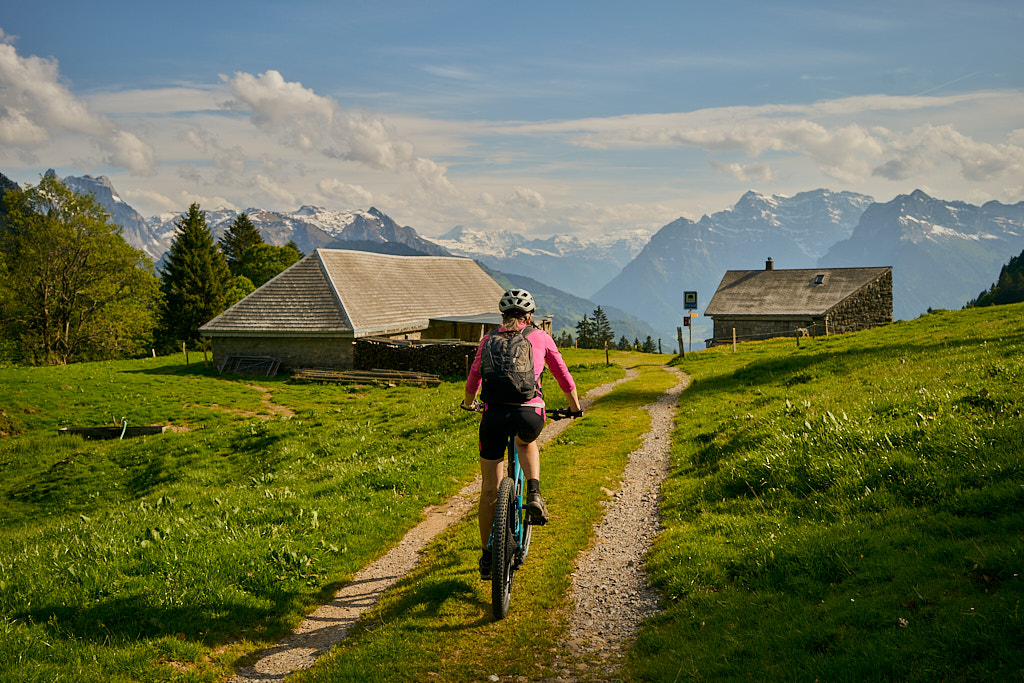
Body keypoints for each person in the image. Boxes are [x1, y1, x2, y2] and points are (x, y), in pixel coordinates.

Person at [463, 288, 582, 580]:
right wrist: (575, 408)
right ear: (529, 317)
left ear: (502, 316)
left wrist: (469, 403)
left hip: (493, 417)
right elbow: (563, 375)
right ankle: (534, 493)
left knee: (489, 490)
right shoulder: (541, 337)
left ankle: (488, 557)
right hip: (529, 414)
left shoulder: (488, 340)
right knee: (526, 441)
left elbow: (473, 379)